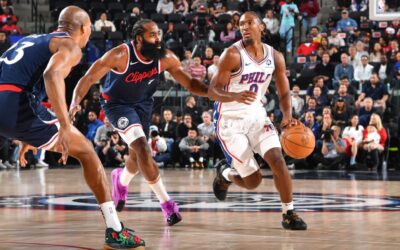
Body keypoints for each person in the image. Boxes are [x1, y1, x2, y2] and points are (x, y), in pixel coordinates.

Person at [0, 6, 144, 249]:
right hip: (17, 105)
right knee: (87, 153)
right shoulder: (71, 47)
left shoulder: (31, 40)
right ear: (84, 28)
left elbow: (18, 80)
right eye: (88, 29)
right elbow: (51, 75)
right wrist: (65, 126)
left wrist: (27, 134)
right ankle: (115, 231)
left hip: (13, 103)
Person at [70, 19, 209, 226]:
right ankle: (167, 205)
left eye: (158, 34)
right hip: (116, 105)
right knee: (144, 150)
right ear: (138, 39)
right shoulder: (120, 55)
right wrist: (74, 102)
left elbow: (189, 82)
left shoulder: (165, 57)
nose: (158, 39)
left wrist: (213, 92)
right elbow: (89, 78)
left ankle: (121, 180)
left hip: (143, 104)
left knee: (137, 157)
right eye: (152, 35)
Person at [208, 12, 307, 230]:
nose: (244, 27)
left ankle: (288, 213)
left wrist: (287, 116)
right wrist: (234, 96)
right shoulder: (231, 54)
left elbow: (283, 92)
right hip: (229, 120)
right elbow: (212, 91)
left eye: (249, 23)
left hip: (256, 115)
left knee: (277, 160)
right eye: (241, 24)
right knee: (253, 181)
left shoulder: (275, 56)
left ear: (261, 27)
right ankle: (225, 173)